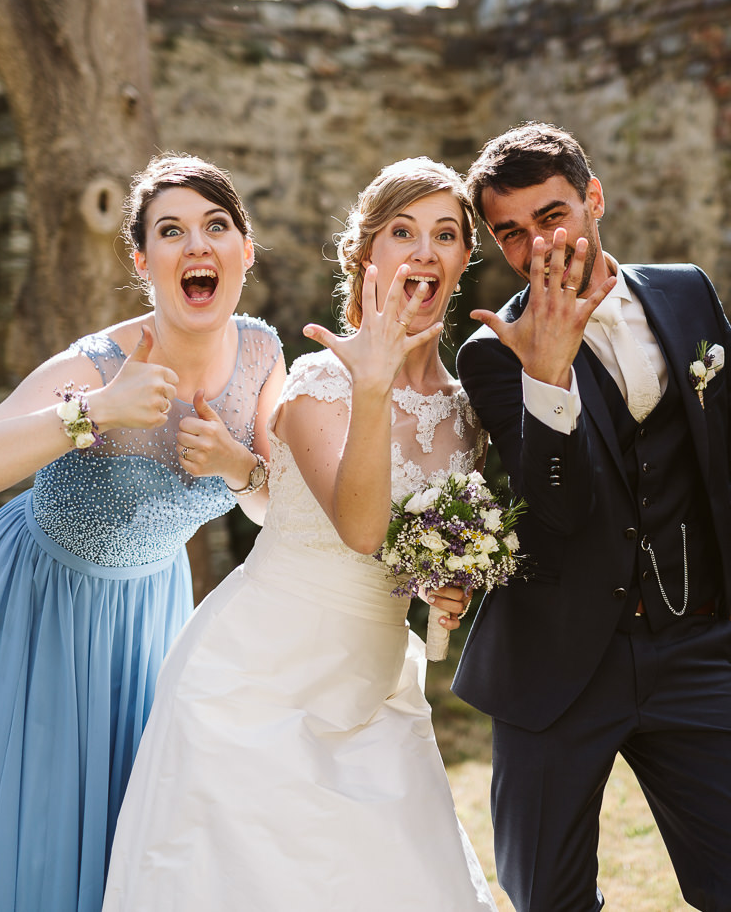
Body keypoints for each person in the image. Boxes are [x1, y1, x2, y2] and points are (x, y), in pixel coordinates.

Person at [100, 157, 495, 910]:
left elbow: (413, 554)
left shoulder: (467, 413)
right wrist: (375, 382)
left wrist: (450, 586)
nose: (424, 251)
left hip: (374, 689)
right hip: (256, 685)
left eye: (446, 234)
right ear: (364, 255)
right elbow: (359, 526)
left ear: (462, 259)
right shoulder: (320, 383)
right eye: (403, 231)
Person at [0, 154, 285, 912]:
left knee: (129, 836)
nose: (197, 245)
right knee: (25, 834)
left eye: (217, 226)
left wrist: (241, 467)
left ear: (245, 248)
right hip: (32, 605)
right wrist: (94, 413)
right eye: (170, 231)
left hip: (150, 614)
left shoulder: (264, 355)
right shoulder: (98, 361)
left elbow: (277, 511)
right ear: (143, 260)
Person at [454, 122, 731, 912]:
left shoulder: (686, 292)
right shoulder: (490, 352)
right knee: (549, 898)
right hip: (557, 662)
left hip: (693, 642)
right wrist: (545, 372)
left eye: (552, 216)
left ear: (595, 197)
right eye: (509, 233)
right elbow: (562, 504)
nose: (537, 246)